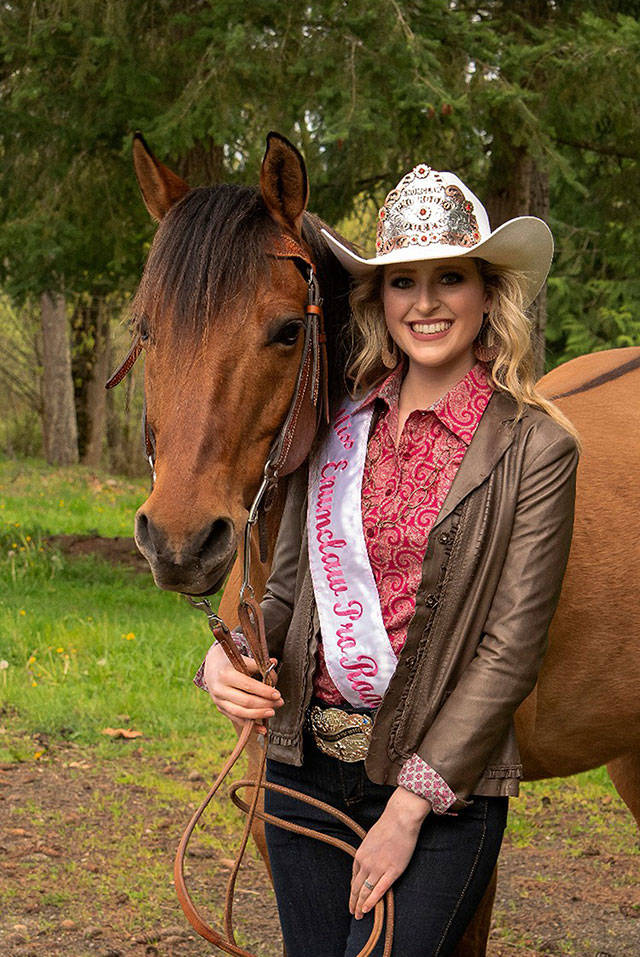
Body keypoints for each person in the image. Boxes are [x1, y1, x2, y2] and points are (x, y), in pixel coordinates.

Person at [195, 163, 580, 956]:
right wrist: (225, 658)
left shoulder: (536, 447)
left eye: (451, 277)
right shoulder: (335, 423)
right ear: (380, 299)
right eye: (403, 281)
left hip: (440, 792)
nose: (427, 301)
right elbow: (290, 597)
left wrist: (407, 809)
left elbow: (511, 652)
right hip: (303, 772)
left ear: (486, 292)